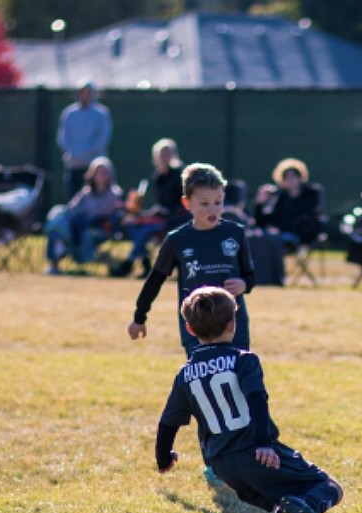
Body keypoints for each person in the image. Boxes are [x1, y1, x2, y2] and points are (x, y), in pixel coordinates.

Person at [154, 286, 343, 513]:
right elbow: (256, 398)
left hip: (222, 465)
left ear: (190, 330)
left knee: (287, 499)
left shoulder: (185, 374)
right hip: (256, 451)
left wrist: (163, 457)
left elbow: (168, 421)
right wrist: (263, 443)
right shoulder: (244, 360)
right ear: (233, 324)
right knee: (327, 486)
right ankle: (308, 508)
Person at [128, 162, 256, 358]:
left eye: (218, 201)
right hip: (197, 327)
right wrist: (139, 317)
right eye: (204, 203)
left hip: (233, 326)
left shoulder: (235, 233)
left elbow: (250, 275)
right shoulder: (177, 239)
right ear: (187, 203)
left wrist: (243, 284)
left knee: (236, 378)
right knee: (201, 382)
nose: (212, 209)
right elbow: (155, 280)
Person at [119, 138, 190, 277]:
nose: (164, 157)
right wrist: (144, 213)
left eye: (167, 153)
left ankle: (130, 263)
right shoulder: (157, 177)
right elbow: (160, 205)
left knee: (144, 232)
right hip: (163, 218)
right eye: (161, 154)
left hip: (176, 220)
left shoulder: (179, 175)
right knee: (133, 226)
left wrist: (163, 213)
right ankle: (145, 263)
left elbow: (183, 203)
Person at [42, 156, 123, 274]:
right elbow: (71, 209)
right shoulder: (85, 193)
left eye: (104, 173)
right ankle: (55, 264)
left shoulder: (114, 194)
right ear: (92, 174)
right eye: (98, 173)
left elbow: (111, 216)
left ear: (110, 175)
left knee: (85, 232)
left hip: (98, 229)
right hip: (77, 226)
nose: (100, 176)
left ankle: (63, 245)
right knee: (59, 214)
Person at [251, 157, 327, 251]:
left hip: (303, 236)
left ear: (300, 178)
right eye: (286, 178)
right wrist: (259, 204)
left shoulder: (312, 195)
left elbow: (315, 218)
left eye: (293, 176)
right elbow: (262, 222)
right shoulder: (280, 198)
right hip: (279, 237)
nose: (290, 180)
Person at [57, 79, 113, 200]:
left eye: (88, 92)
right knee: (73, 200)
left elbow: (102, 140)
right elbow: (63, 138)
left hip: (94, 168)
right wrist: (74, 154)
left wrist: (84, 154)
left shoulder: (101, 114)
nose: (85, 95)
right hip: (73, 166)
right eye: (82, 92)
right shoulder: (69, 114)